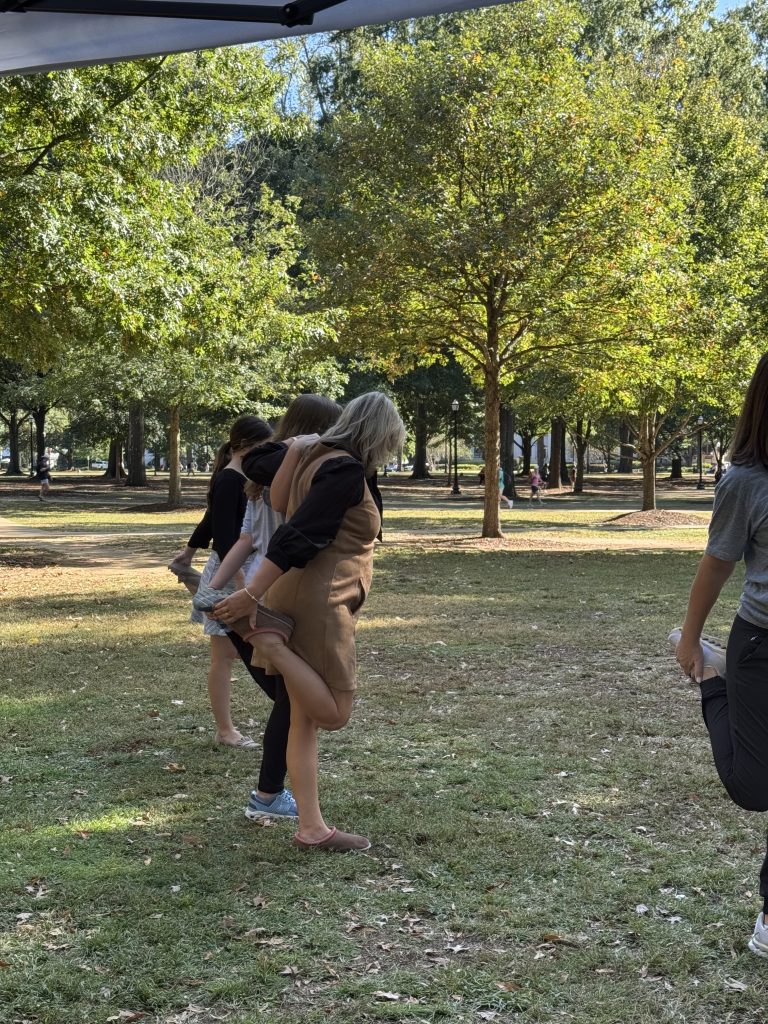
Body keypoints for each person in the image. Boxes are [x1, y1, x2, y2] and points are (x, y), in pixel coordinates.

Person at [212, 392, 405, 852]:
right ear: (380, 435)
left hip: (302, 593)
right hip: (321, 601)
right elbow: (300, 533)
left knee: (302, 720)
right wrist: (250, 595)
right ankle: (269, 641)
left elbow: (277, 500)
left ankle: (312, 829)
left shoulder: (313, 457)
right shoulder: (343, 469)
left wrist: (296, 448)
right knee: (333, 713)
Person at [202, 395, 342, 820]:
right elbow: (282, 539)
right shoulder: (298, 480)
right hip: (283, 595)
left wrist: (216, 588)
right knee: (295, 699)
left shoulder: (258, 481)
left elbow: (245, 539)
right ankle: (267, 796)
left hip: (258, 595)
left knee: (291, 698)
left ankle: (272, 793)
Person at [670, 353, 768, 957]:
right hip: (761, 642)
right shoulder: (748, 481)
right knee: (755, 787)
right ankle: (714, 675)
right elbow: (718, 562)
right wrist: (689, 636)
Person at [171, 415, 272, 749]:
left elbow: (209, 519)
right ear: (244, 445)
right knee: (225, 656)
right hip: (231, 574)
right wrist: (244, 584)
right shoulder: (231, 479)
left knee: (237, 651)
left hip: (237, 572)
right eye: (262, 446)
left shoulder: (239, 477)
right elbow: (226, 536)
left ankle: (231, 727)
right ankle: (226, 730)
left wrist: (187, 554)